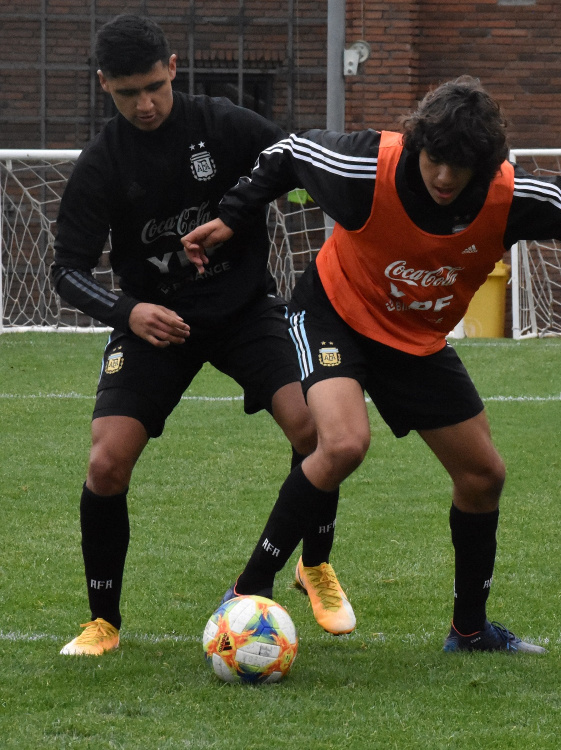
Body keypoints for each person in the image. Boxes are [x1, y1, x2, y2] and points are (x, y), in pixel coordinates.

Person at [182, 75, 561, 653]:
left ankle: (470, 631)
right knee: (344, 443)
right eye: (436, 160)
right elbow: (290, 151)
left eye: (463, 166)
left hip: (415, 339)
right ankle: (247, 589)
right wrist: (234, 214)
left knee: (483, 476)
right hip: (335, 313)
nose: (446, 177)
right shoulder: (364, 168)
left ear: (487, 164)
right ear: (416, 144)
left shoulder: (508, 197)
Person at [52, 14, 354, 656]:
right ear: (104, 84)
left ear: (173, 68)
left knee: (317, 430)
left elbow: (298, 159)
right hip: (155, 325)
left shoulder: (222, 125)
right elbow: (67, 272)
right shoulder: (103, 162)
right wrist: (128, 311)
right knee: (106, 463)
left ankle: (314, 564)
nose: (145, 104)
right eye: (127, 93)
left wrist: (255, 210)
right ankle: (103, 620)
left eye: (154, 86)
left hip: (245, 311)